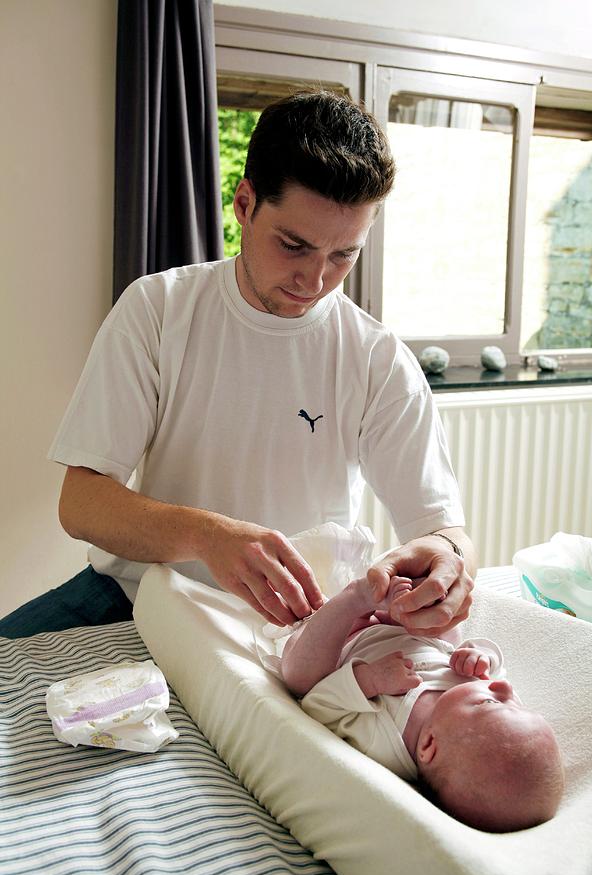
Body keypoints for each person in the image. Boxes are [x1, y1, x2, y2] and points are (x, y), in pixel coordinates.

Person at [1, 90, 475, 639]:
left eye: (344, 254)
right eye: (294, 245)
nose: (315, 281)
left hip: (290, 618)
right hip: (136, 592)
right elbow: (82, 504)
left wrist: (447, 562)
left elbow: (444, 530)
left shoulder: (377, 357)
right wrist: (208, 538)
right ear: (245, 203)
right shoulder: (158, 309)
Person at [280, 575, 565, 833]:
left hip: (344, 643)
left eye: (490, 702)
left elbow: (318, 706)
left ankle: (354, 597)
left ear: (429, 745)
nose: (505, 688)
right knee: (447, 628)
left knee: (299, 678)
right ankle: (394, 599)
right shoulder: (473, 696)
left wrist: (369, 680)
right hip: (408, 630)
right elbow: (496, 669)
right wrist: (480, 656)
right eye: (518, 704)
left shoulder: (386, 741)